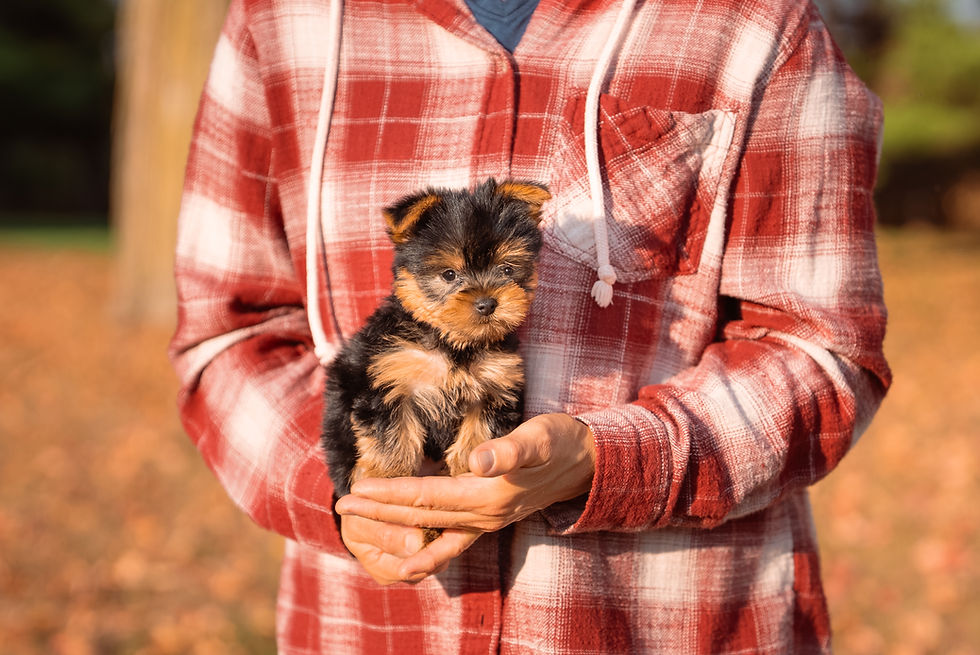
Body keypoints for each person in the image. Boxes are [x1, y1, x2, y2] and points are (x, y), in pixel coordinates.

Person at [169, 0, 891, 652]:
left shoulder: (756, 21)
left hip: (660, 621)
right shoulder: (281, 19)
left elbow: (823, 352)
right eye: (451, 276)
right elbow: (228, 335)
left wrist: (610, 459)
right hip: (371, 626)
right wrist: (347, 492)